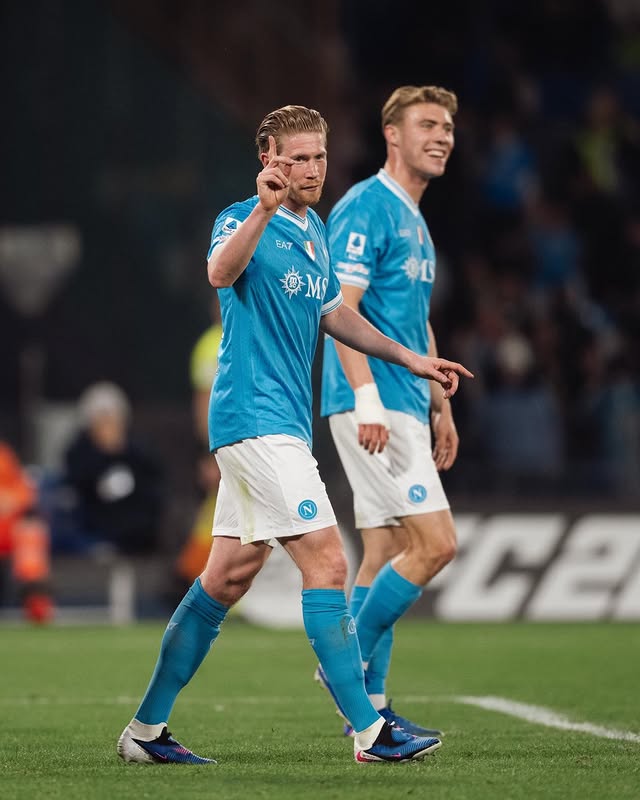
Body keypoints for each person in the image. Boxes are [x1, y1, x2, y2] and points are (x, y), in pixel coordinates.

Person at [117, 104, 472, 766]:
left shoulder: (315, 231)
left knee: (226, 579)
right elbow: (219, 273)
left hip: (281, 424)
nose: (311, 169)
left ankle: (145, 731)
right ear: (268, 159)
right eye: (297, 157)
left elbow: (338, 315)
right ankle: (370, 730)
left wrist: (411, 359)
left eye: (319, 156)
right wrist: (262, 208)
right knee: (328, 562)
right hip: (253, 420)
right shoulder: (240, 217)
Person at [318, 85, 461, 737]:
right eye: (427, 124)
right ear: (392, 134)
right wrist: (369, 397)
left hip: (403, 401)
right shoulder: (366, 207)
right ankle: (343, 667)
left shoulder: (415, 220)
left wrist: (440, 405)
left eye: (448, 127)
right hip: (371, 402)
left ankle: (370, 713)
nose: (442, 136)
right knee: (436, 544)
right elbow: (340, 312)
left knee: (385, 551)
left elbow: (415, 322)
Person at [64, 382, 165, 556]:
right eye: (101, 421)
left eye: (112, 420)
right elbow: (77, 489)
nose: (108, 427)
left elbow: (154, 490)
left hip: (137, 538)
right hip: (93, 538)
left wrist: (120, 451)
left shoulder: (140, 453)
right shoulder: (79, 454)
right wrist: (103, 454)